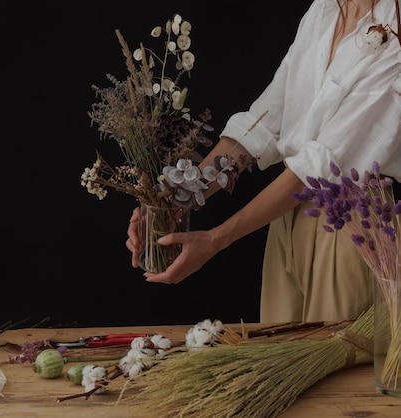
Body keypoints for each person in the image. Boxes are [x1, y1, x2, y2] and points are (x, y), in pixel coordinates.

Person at [126, 0, 401, 323]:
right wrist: (173, 201)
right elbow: (263, 124)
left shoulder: (395, 28)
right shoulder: (323, 10)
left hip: (350, 225)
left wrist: (216, 239)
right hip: (283, 215)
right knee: (281, 362)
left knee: (337, 367)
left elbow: (319, 166)